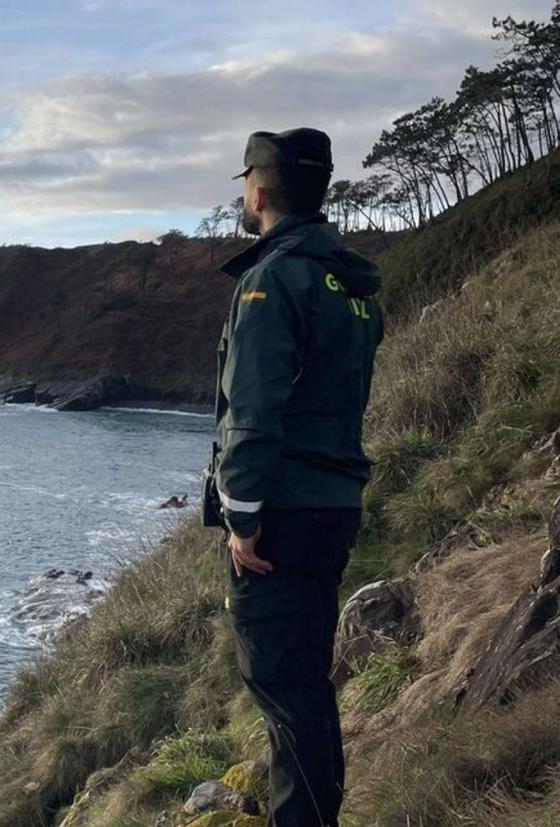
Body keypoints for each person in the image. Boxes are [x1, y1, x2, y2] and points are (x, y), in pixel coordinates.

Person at [210, 128, 383, 826]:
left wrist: (242, 516)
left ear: (257, 193)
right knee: (305, 684)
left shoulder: (272, 279)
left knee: (284, 686)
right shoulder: (350, 281)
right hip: (334, 503)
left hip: (281, 513)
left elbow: (253, 411)